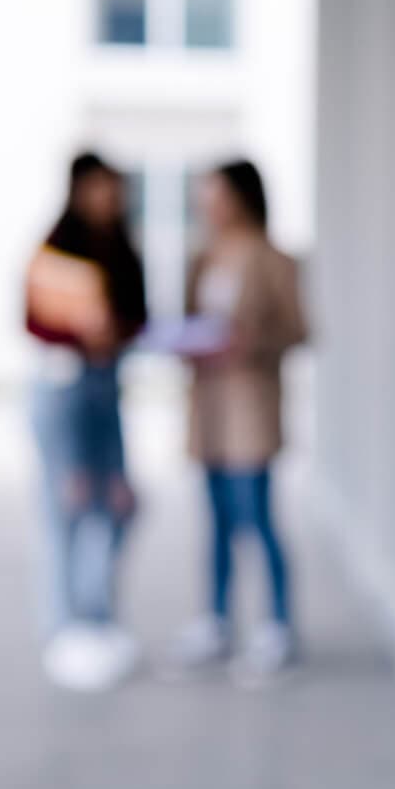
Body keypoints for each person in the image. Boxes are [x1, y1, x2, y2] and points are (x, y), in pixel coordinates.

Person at [164, 160, 308, 687]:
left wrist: (251, 342)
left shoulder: (274, 259)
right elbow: (188, 321)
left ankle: (276, 625)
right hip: (209, 407)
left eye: (216, 195)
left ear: (241, 197)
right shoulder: (201, 257)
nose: (208, 206)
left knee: (257, 517)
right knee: (217, 521)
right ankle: (217, 621)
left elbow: (300, 329)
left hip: (250, 403)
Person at [26, 151, 147, 692]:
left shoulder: (124, 249)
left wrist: (113, 333)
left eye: (113, 190)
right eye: (99, 189)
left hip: (107, 385)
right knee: (66, 506)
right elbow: (34, 322)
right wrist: (81, 333)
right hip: (64, 387)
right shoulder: (55, 249)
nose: (108, 200)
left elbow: (140, 318)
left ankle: (96, 617)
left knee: (118, 502)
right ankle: (66, 626)